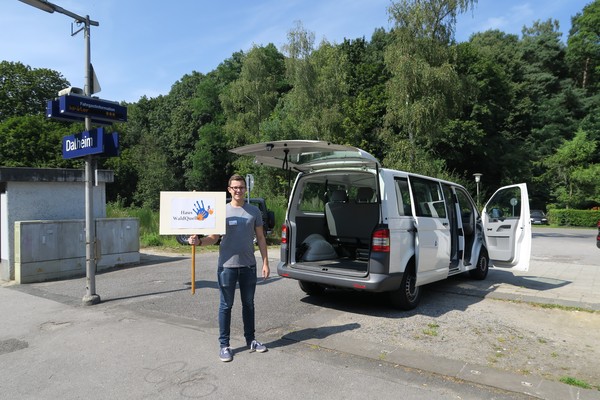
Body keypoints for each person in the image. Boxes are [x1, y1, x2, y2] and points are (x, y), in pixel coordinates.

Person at [189, 174, 270, 362]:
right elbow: (214, 237)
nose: (238, 190)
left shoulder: (254, 211)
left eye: (241, 187)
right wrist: (199, 241)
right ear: (229, 189)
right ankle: (224, 345)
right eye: (235, 187)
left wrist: (265, 262)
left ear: (245, 189)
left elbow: (261, 238)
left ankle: (251, 340)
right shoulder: (221, 211)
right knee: (226, 306)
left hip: (249, 266)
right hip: (227, 267)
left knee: (249, 305)